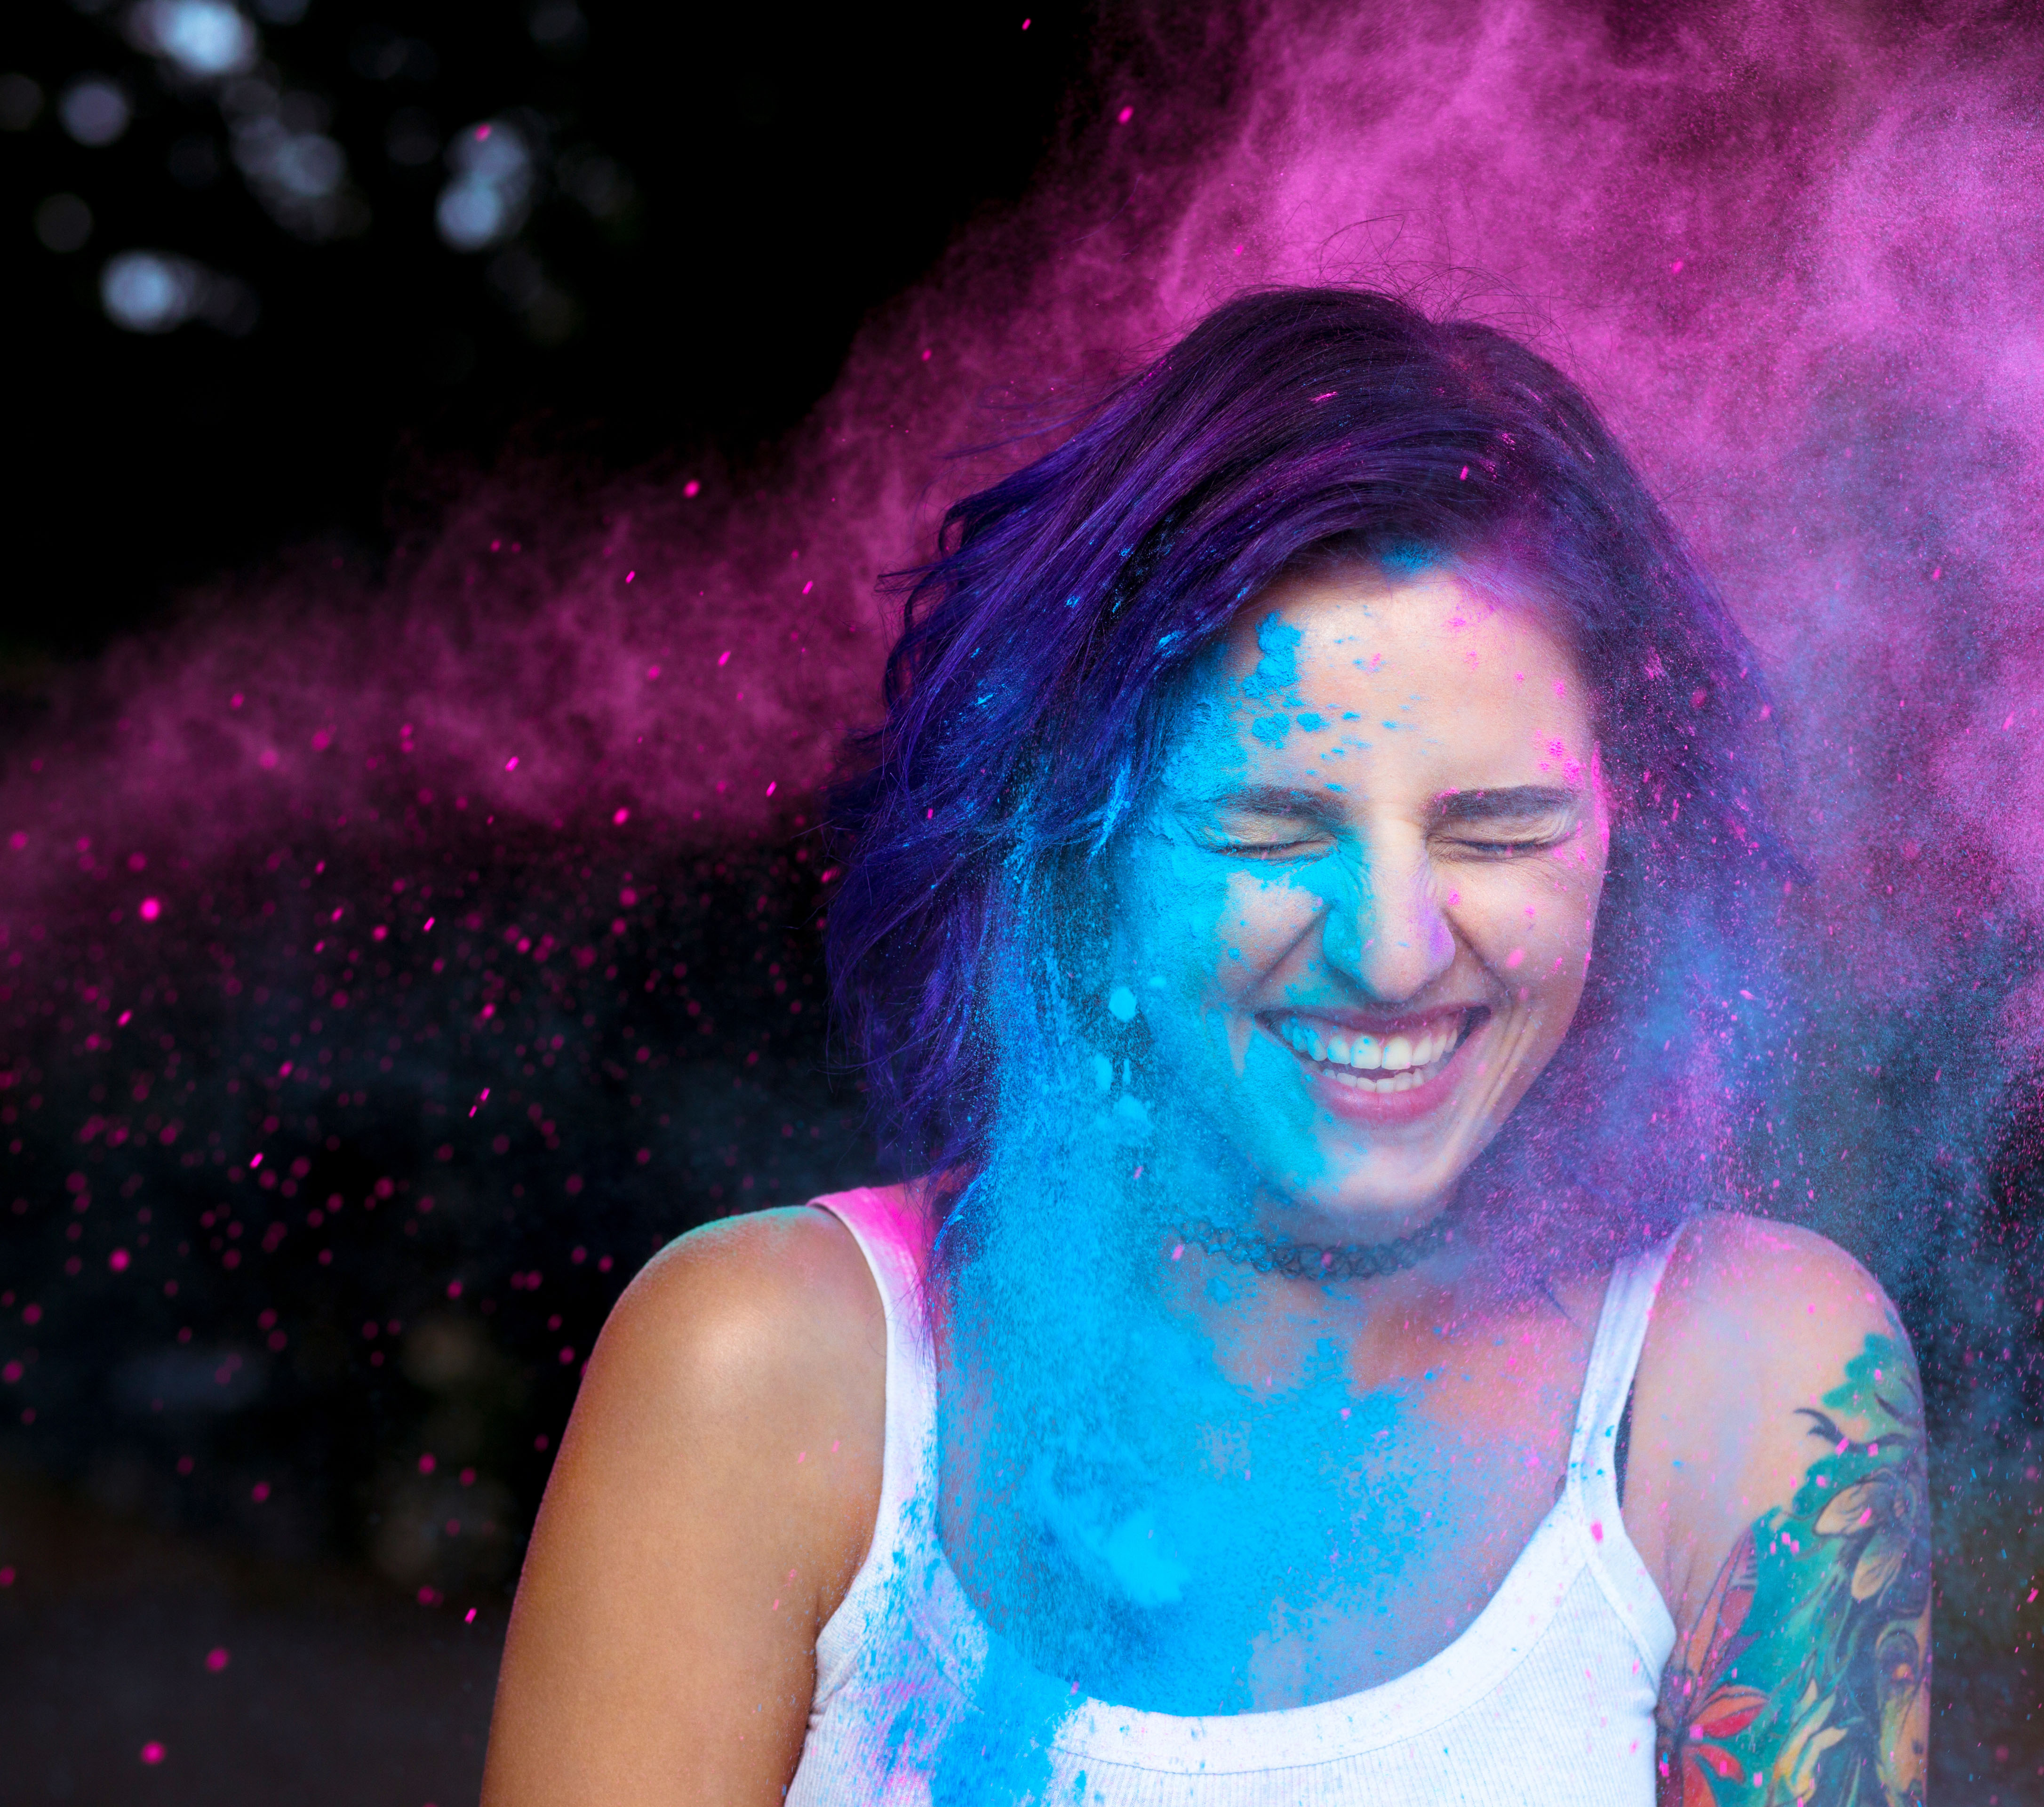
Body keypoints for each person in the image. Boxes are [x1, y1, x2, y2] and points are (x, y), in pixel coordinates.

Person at [480, 287, 1929, 1806]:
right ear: (1079, 852)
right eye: (1273, 828)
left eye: (1500, 829)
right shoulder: (771, 1378)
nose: (1391, 952)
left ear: (1633, 843)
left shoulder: (1750, 1388)